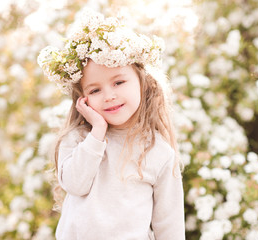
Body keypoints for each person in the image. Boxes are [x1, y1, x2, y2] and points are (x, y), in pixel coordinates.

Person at [37, 9, 185, 240]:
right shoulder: (78, 140)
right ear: (82, 98)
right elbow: (75, 185)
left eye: (119, 82)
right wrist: (97, 134)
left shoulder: (159, 152)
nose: (109, 96)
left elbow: (170, 225)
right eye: (95, 90)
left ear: (142, 83)